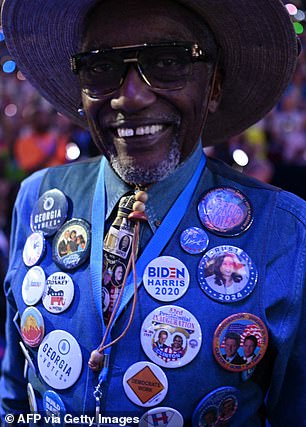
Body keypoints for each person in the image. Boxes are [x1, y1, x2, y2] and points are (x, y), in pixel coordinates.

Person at [0, 0, 305, 425]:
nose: (131, 96)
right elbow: (16, 395)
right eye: (101, 66)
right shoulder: (39, 199)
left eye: (167, 61)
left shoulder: (284, 231)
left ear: (213, 85)